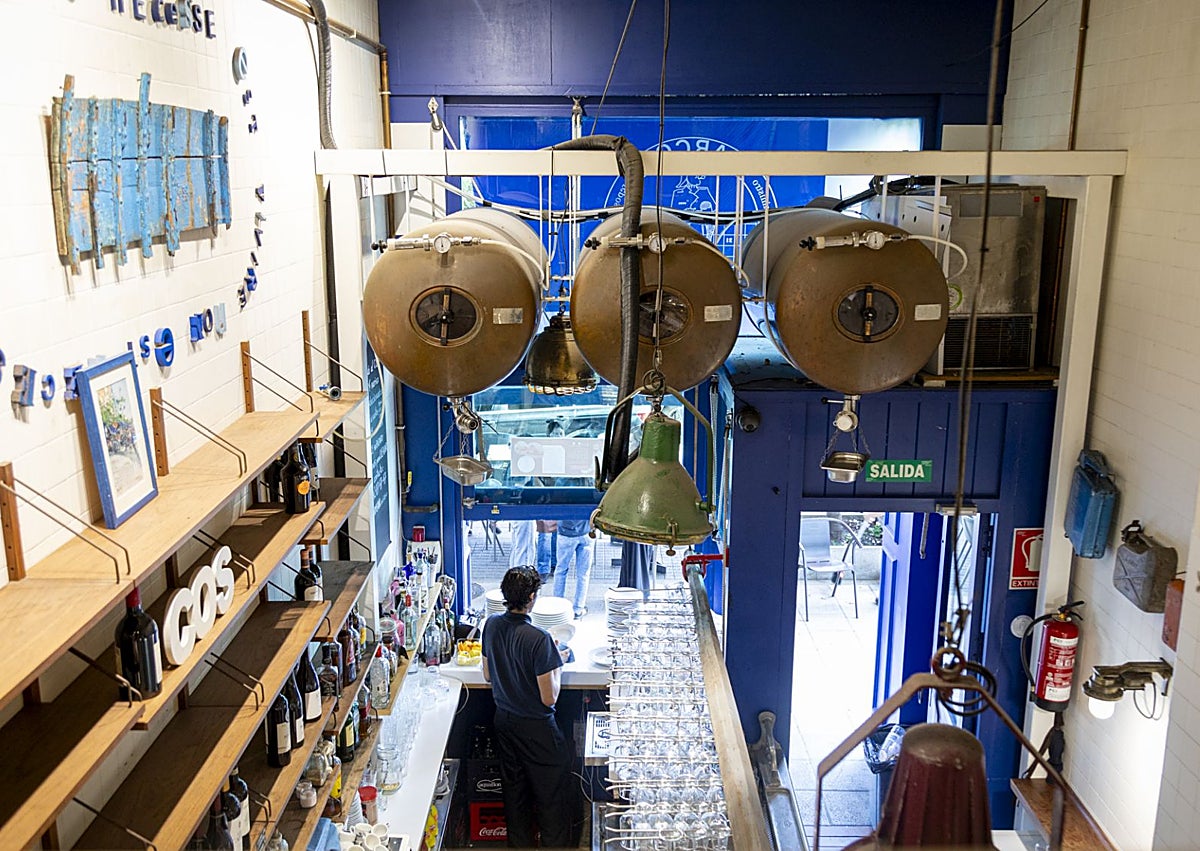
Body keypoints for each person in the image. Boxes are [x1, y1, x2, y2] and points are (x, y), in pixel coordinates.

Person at [482, 567, 573, 848]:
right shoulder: (539, 639)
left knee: (515, 793)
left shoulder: (492, 625)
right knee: (551, 797)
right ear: (532, 597)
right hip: (537, 729)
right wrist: (556, 662)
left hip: (505, 722)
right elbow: (549, 698)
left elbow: (487, 674)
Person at [553, 518, 593, 619]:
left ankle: (558, 606)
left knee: (561, 570)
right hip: (586, 532)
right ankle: (578, 609)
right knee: (583, 574)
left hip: (565, 532)